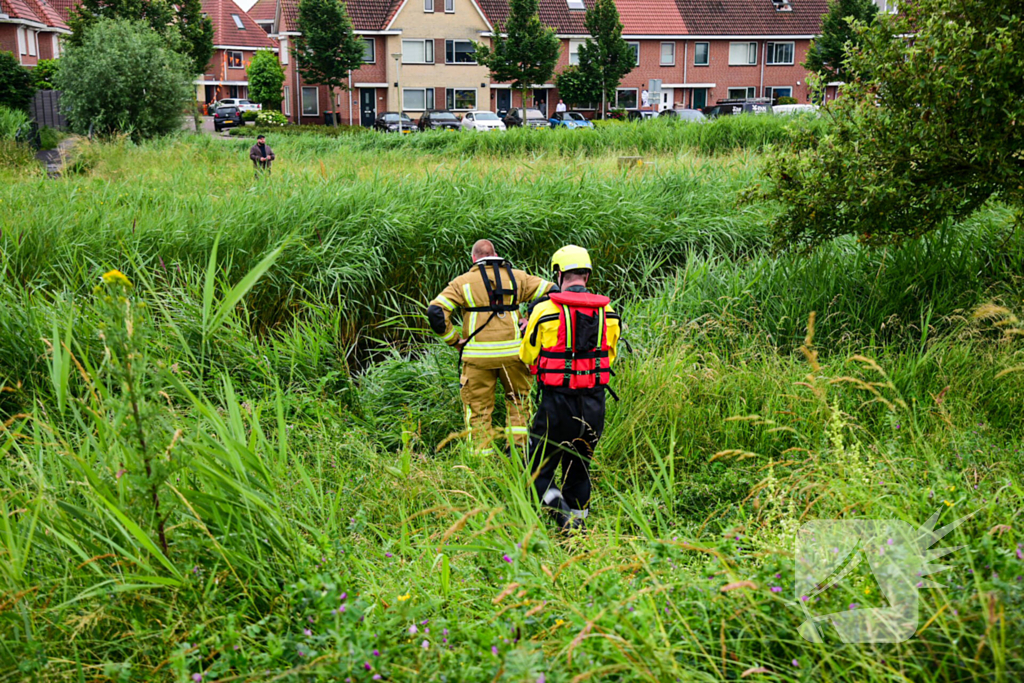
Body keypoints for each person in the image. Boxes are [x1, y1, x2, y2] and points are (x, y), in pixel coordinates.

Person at [519, 245, 621, 533]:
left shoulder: (543, 310)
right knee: (579, 466)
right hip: (594, 404)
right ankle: (579, 531)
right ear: (587, 276)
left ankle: (564, 516)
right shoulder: (608, 312)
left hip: (556, 404)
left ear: (558, 273)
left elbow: (527, 357)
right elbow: (608, 357)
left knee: (537, 467)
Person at [427, 240, 555, 456]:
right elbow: (554, 291)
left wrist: (453, 340)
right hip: (516, 355)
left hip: (478, 359)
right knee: (519, 403)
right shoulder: (518, 277)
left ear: (474, 259)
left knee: (478, 410)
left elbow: (435, 312)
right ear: (495, 254)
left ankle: (481, 461)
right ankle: (519, 454)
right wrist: (530, 319)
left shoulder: (462, 282)